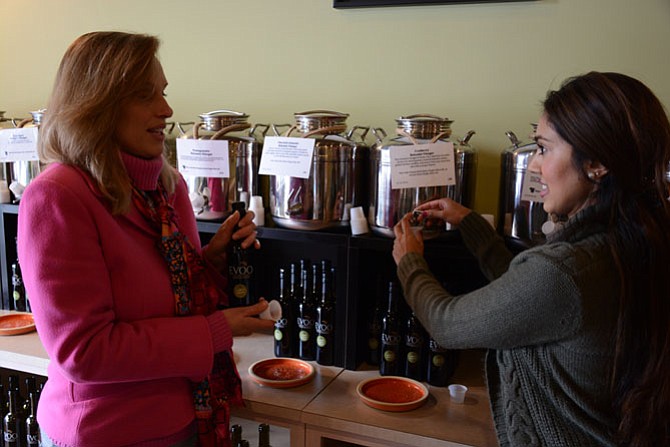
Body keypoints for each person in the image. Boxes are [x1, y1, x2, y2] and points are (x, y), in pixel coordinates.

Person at [17, 31, 275, 447]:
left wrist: (212, 260)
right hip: (105, 431)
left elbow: (174, 296)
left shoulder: (166, 187)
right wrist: (212, 331)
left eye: (163, 92)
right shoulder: (57, 196)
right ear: (96, 106)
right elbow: (85, 352)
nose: (166, 109)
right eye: (144, 95)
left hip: (187, 416)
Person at [393, 72, 670, 446]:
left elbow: (448, 323)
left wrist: (409, 262)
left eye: (543, 148)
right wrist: (470, 224)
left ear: (598, 163)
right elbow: (527, 296)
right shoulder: (630, 238)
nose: (535, 165)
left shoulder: (566, 270)